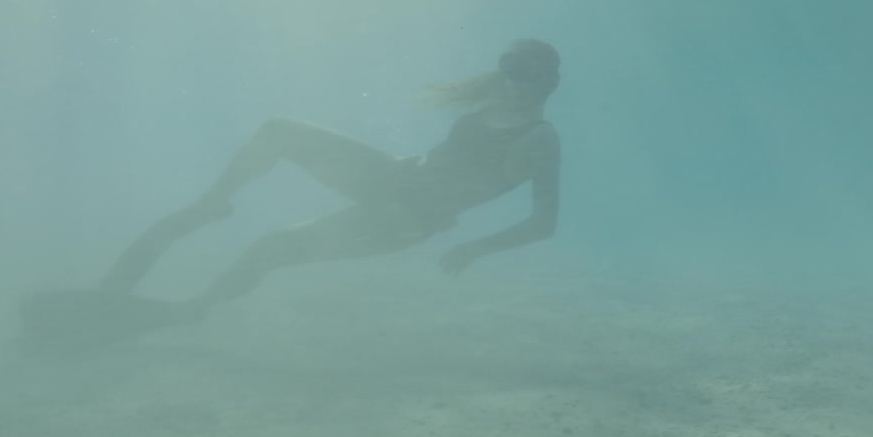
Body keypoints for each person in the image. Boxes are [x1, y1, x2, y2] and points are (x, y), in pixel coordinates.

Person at [97, 39, 562, 316]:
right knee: (278, 130)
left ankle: (188, 312)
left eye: (524, 74)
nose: (512, 81)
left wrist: (474, 248)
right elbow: (452, 161)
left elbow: (544, 223)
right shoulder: (490, 110)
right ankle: (211, 204)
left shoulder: (540, 138)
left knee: (268, 250)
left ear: (547, 82)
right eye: (508, 68)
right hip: (393, 179)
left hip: (407, 217)